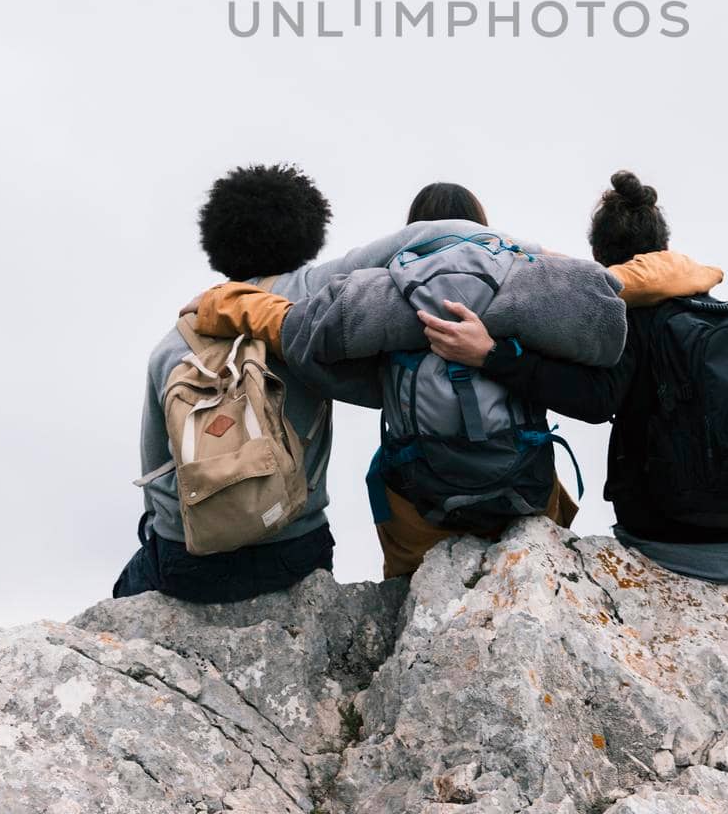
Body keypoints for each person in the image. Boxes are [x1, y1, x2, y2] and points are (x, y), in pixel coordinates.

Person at [188, 182, 637, 578]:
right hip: (522, 488)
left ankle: (405, 593)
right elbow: (604, 323)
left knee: (382, 475)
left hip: (422, 496)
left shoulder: (385, 290)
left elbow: (312, 347)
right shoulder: (527, 283)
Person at [114, 165, 501, 602]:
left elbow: (155, 468)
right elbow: (432, 234)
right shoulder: (310, 293)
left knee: (125, 587)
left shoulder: (178, 336)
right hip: (292, 553)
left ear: (215, 241)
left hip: (189, 561)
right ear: (308, 232)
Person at [421, 172, 728, 586]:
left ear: (600, 254)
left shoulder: (627, 318)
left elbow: (596, 400)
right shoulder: (715, 307)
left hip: (678, 540)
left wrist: (492, 356)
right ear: (663, 244)